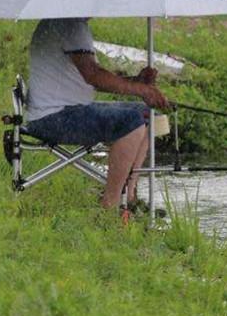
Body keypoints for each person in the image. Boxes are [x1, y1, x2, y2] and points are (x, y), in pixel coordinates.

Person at [23, 18, 169, 210]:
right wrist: (141, 89)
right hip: (52, 118)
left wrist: (136, 82)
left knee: (145, 114)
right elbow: (93, 75)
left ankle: (129, 194)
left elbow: (85, 78)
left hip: (59, 111)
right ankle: (110, 205)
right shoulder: (71, 24)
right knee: (131, 121)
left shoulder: (60, 22)